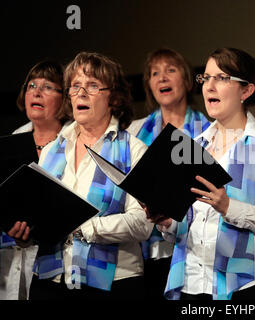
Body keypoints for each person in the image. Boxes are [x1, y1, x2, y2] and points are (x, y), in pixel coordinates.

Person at [150, 47, 255, 300]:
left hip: (251, 286)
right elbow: (191, 224)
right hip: (194, 285)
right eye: (206, 78)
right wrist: (167, 222)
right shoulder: (194, 146)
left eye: (221, 78)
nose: (209, 86)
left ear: (246, 90)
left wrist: (230, 207)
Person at [8, 52, 152, 300]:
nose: (81, 94)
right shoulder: (54, 147)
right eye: (75, 86)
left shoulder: (133, 150)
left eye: (93, 86)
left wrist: (84, 227)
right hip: (51, 279)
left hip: (112, 284)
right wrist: (26, 233)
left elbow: (143, 223)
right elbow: (40, 212)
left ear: (114, 97)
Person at [127, 48, 210, 299]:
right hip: (145, 252)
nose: (162, 78)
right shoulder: (134, 132)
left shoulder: (208, 131)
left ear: (186, 81)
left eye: (170, 71)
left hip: (194, 249)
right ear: (149, 86)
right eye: (155, 73)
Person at [0, 60, 70, 300]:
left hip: (59, 266)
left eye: (48, 87)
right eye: (31, 85)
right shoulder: (11, 142)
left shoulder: (74, 142)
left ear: (65, 98)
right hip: (10, 259)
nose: (37, 92)